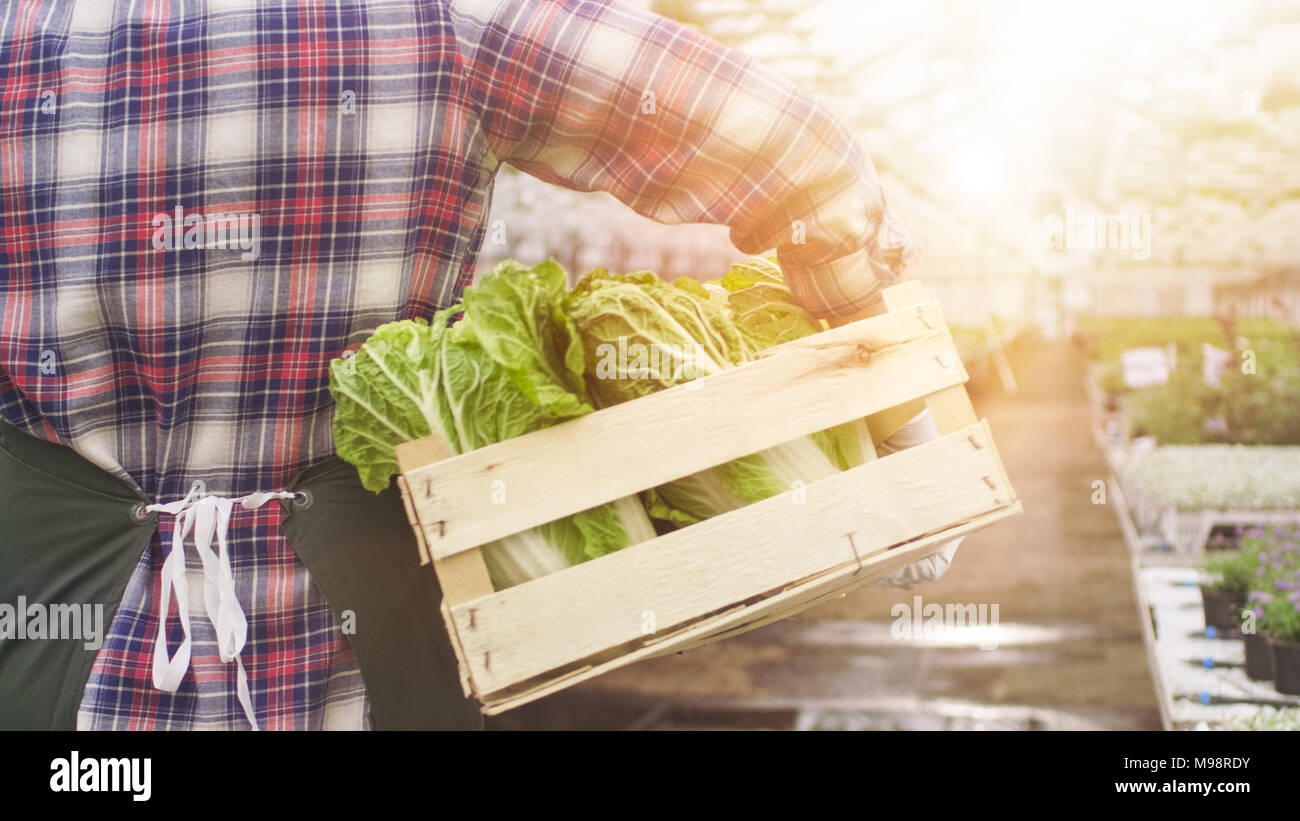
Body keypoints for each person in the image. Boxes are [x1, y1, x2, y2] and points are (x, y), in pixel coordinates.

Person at [0, 0, 953, 731]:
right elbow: (792, 143)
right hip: (365, 658)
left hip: (60, 658)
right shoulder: (448, 19)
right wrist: (894, 419)